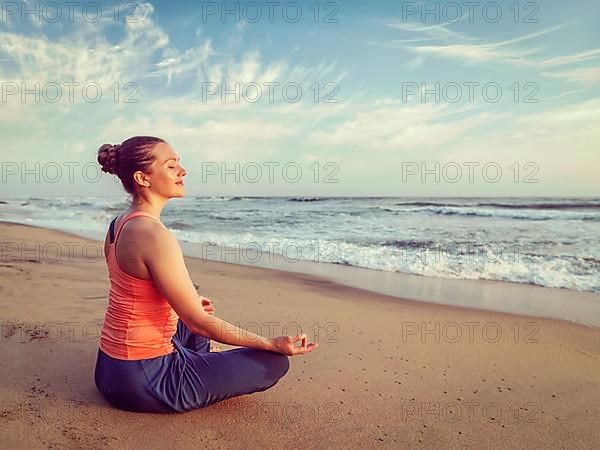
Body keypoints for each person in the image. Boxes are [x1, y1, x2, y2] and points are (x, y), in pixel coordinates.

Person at [93, 136, 317, 413]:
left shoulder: (118, 224)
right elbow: (200, 324)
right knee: (274, 362)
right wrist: (270, 343)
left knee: (190, 317)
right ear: (143, 178)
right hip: (144, 382)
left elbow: (132, 292)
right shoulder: (154, 235)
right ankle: (197, 370)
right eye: (171, 166)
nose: (182, 171)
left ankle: (200, 363)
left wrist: (185, 308)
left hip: (108, 370)